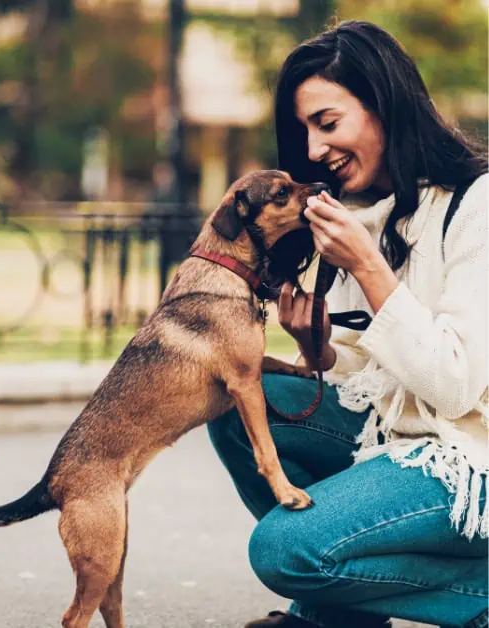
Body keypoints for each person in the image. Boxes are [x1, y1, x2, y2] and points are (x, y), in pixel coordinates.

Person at [207, 20, 488, 628]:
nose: (312, 152)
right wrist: (319, 351)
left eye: (327, 124)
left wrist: (367, 266)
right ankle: (341, 617)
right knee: (235, 404)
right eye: (304, 132)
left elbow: (455, 386)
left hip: (471, 459)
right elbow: (376, 376)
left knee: (283, 549)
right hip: (396, 437)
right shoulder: (364, 213)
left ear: (385, 104)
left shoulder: (478, 206)